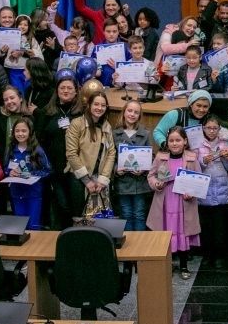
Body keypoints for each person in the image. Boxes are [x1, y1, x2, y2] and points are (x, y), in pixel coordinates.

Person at [148, 126, 201, 279]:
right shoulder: (160, 157)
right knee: (166, 231)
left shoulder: (191, 158)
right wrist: (156, 183)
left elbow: (199, 180)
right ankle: (168, 264)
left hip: (183, 202)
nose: (174, 143)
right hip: (165, 201)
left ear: (185, 141)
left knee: (182, 230)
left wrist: (192, 193)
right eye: (171, 140)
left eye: (178, 140)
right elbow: (151, 176)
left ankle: (184, 266)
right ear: (167, 142)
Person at [38, 76, 81, 229]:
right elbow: (39, 138)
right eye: (62, 88)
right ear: (57, 91)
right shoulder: (47, 112)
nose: (66, 91)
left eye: (70, 88)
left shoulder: (81, 113)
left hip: (75, 168)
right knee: (62, 205)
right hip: (54, 168)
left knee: (76, 206)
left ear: (76, 91)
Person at [64, 92, 115, 220]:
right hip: (79, 178)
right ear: (89, 105)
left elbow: (111, 153)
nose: (99, 108)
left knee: (99, 219)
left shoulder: (107, 126)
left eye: (103, 105)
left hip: (99, 181)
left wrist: (103, 179)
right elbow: (71, 153)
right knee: (79, 218)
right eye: (96, 104)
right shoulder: (77, 124)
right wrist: (87, 180)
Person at [196, 115, 228, 267]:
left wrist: (227, 157)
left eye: (215, 128)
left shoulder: (224, 143)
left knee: (220, 227)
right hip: (203, 190)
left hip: (221, 190)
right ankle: (207, 255)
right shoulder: (197, 144)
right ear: (203, 128)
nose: (211, 131)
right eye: (208, 128)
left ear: (220, 129)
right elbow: (193, 166)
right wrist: (202, 161)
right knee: (205, 227)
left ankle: (219, 256)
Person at [4, 117, 51, 229]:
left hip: (33, 194)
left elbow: (48, 170)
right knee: (20, 227)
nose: (20, 134)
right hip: (16, 193)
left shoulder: (37, 150)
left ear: (30, 132)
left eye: (24, 131)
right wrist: (9, 172)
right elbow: (5, 167)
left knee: (33, 225)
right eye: (17, 131)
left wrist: (32, 175)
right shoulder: (10, 149)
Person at [113, 100, 153, 232]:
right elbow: (110, 158)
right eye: (130, 111)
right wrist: (116, 170)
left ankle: (140, 245)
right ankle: (129, 246)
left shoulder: (145, 134)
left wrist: (143, 169)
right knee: (126, 214)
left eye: (136, 112)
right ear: (124, 112)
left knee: (139, 214)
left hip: (139, 183)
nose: (132, 114)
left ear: (139, 116)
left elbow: (150, 157)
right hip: (123, 182)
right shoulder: (114, 134)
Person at [154, 90, 228, 148]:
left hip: (198, 159)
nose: (201, 110)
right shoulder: (176, 114)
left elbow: (226, 134)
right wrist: (165, 144)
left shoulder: (209, 119)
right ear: (191, 104)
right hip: (174, 155)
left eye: (205, 107)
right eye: (198, 105)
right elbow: (158, 132)